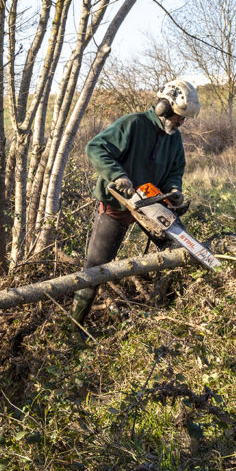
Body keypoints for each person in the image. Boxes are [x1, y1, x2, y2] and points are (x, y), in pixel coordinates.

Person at [71, 79, 201, 326]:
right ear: (163, 107)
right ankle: (74, 325)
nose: (181, 122)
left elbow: (176, 169)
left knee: (178, 251)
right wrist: (118, 175)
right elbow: (95, 147)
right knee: (96, 267)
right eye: (177, 116)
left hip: (151, 204)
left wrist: (174, 191)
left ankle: (168, 314)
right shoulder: (133, 124)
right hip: (119, 203)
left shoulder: (174, 138)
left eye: (183, 119)